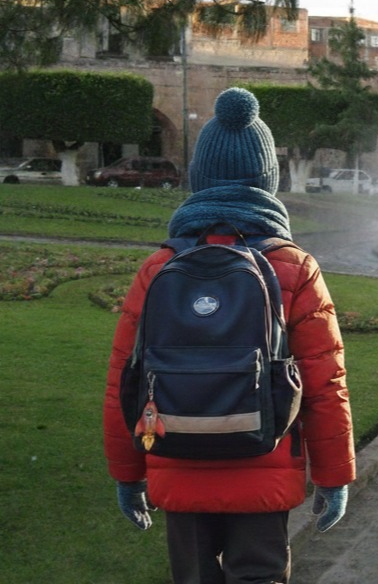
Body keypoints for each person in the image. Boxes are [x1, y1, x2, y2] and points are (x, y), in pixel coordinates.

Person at [103, 87, 356, 583]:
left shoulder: (160, 267)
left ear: (200, 179)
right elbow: (325, 386)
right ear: (268, 181)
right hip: (265, 462)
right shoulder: (293, 267)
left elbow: (123, 382)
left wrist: (127, 472)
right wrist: (334, 476)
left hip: (177, 461)